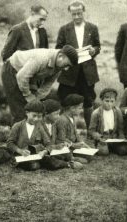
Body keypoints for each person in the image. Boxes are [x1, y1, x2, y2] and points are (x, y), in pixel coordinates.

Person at [1, 46, 78, 122]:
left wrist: (36, 99)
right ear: (60, 56)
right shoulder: (42, 58)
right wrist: (28, 95)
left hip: (29, 77)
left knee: (33, 110)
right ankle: (17, 132)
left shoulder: (59, 67)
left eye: (69, 66)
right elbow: (21, 76)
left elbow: (47, 86)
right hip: (12, 70)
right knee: (20, 111)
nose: (66, 69)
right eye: (66, 65)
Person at [55, 0, 101, 128]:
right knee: (67, 102)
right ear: (70, 13)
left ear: (83, 12)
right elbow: (58, 48)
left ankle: (91, 133)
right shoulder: (64, 29)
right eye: (74, 14)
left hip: (87, 72)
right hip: (69, 71)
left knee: (88, 101)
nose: (77, 17)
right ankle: (67, 133)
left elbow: (98, 46)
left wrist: (94, 51)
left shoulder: (92, 28)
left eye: (79, 13)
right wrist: (67, 55)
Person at [42, 99, 82, 169]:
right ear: (46, 114)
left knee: (64, 154)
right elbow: (41, 145)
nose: (58, 116)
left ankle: (71, 159)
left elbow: (56, 140)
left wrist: (61, 145)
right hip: (43, 152)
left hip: (52, 150)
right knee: (49, 161)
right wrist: (55, 147)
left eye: (59, 113)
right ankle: (68, 164)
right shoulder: (39, 125)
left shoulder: (53, 124)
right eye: (56, 114)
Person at [88, 88, 127, 156]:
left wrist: (121, 137)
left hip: (114, 137)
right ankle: (103, 147)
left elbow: (120, 128)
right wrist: (99, 137)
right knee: (103, 152)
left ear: (115, 101)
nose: (109, 104)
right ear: (102, 100)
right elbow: (91, 130)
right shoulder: (96, 113)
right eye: (107, 101)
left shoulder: (117, 111)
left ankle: (112, 147)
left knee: (123, 150)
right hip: (103, 138)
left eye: (112, 101)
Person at [53, 94, 90, 163]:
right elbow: (61, 139)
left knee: (89, 155)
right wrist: (73, 145)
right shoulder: (62, 120)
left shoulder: (72, 117)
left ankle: (72, 155)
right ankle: (71, 158)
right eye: (80, 108)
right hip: (64, 145)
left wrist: (81, 143)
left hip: (72, 145)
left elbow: (75, 133)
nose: (81, 110)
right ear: (72, 108)